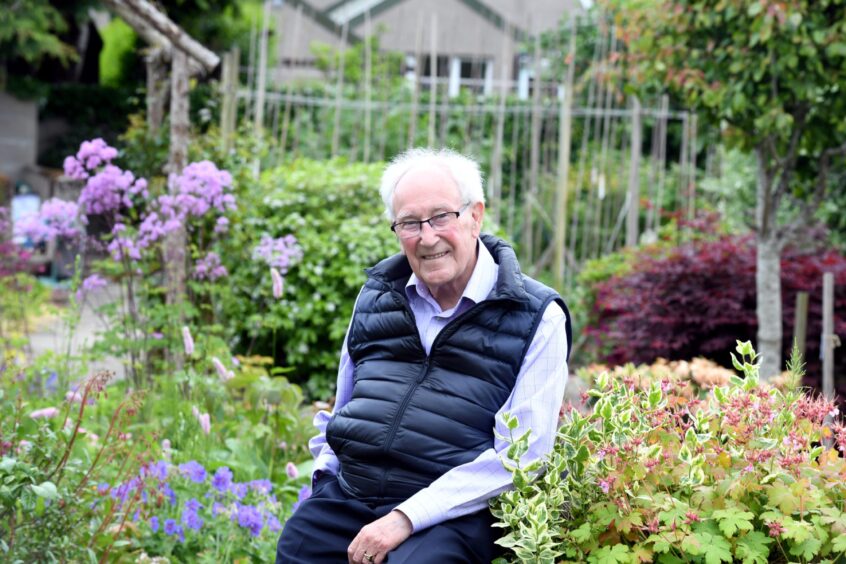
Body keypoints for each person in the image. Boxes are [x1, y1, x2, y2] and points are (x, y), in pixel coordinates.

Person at [276, 148, 571, 564]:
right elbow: (344, 405)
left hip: (452, 513)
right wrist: (324, 480)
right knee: (299, 545)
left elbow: (522, 455)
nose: (427, 237)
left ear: (476, 216)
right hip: (352, 497)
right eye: (410, 223)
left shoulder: (536, 316)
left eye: (441, 217)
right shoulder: (377, 295)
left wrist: (407, 517)